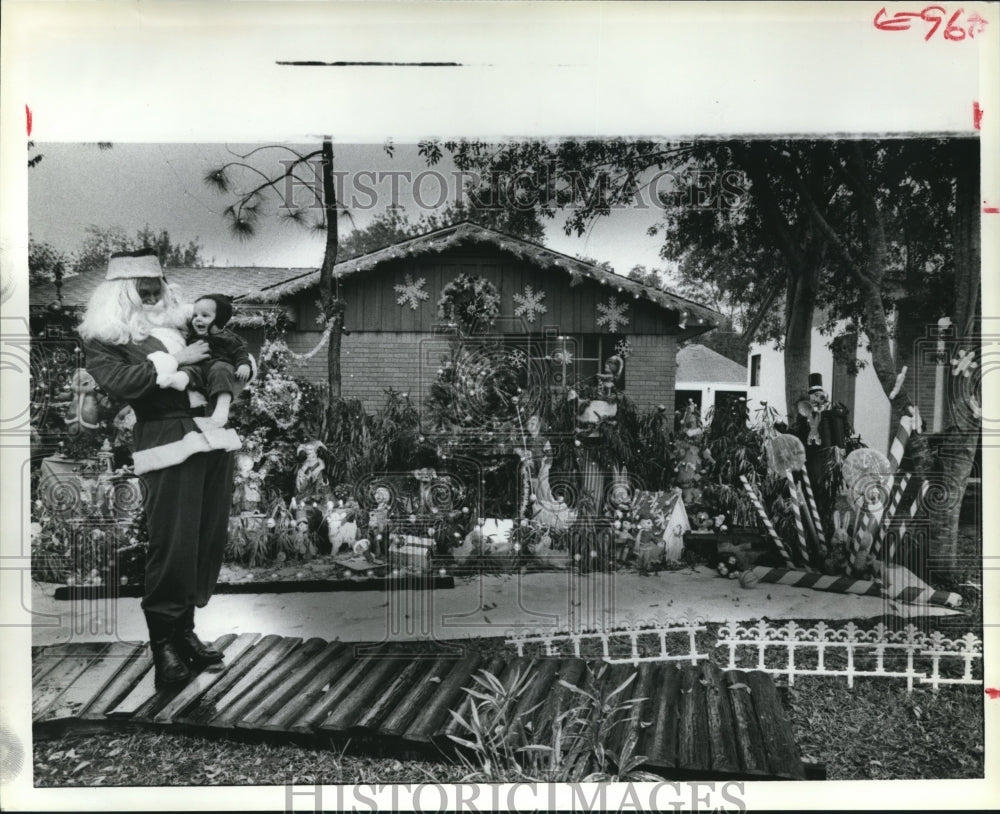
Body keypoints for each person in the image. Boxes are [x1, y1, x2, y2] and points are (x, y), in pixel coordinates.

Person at [78, 249, 242, 687]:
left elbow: (222, 353)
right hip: (166, 440)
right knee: (171, 541)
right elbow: (123, 383)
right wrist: (178, 361)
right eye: (143, 292)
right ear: (121, 295)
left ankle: (185, 632)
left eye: (157, 289)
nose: (153, 298)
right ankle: (163, 644)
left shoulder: (181, 324)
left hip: (210, 436)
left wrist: (232, 366)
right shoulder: (105, 339)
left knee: (203, 537)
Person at [161, 293, 251, 427]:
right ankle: (178, 380)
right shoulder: (193, 335)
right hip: (200, 367)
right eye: (195, 315)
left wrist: (244, 365)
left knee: (220, 370)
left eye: (205, 315)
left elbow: (240, 352)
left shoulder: (228, 338)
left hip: (220, 367)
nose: (198, 319)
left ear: (219, 319)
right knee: (189, 369)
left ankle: (222, 408)